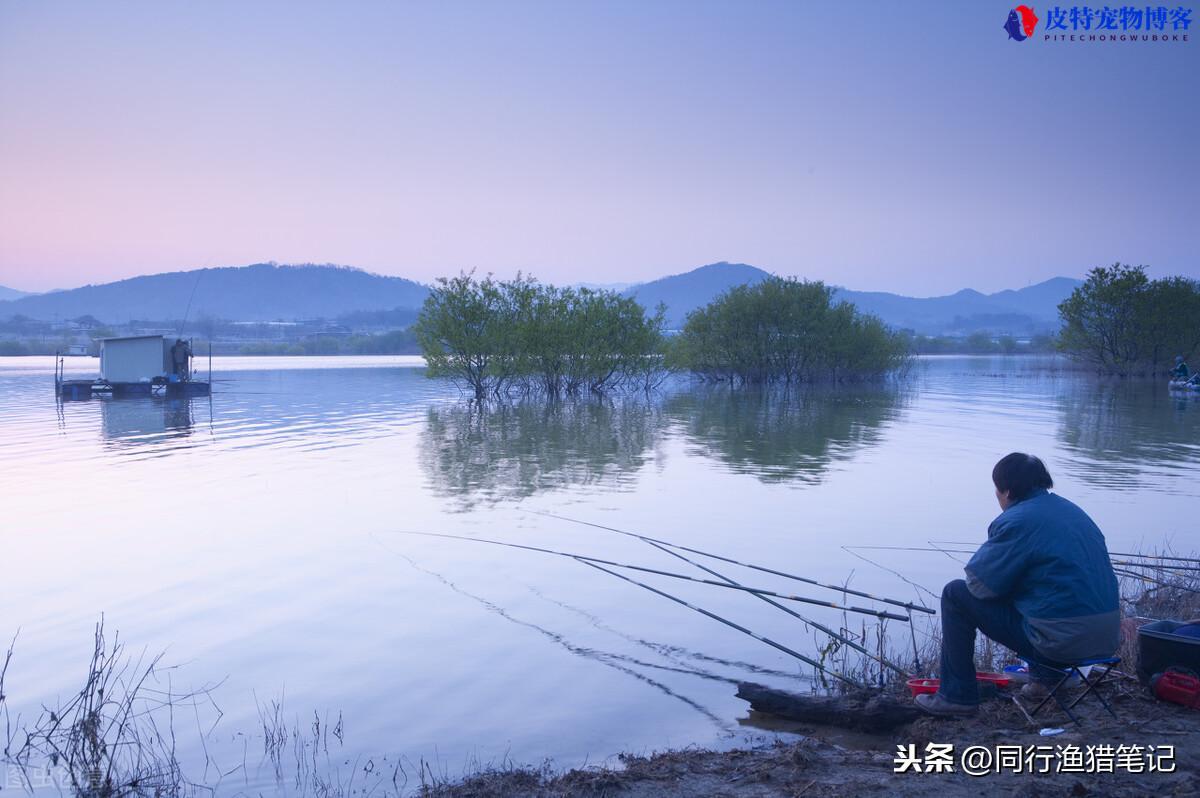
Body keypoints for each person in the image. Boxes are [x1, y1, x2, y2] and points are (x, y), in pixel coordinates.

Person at [915, 453, 1120, 716]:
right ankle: (1045, 679)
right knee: (1040, 596)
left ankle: (956, 698)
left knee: (955, 594)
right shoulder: (1074, 512)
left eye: (996, 490)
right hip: (1104, 641)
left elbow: (979, 587)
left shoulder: (1017, 520)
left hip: (1060, 644)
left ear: (1007, 491)